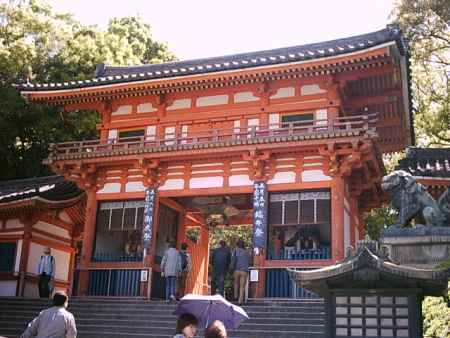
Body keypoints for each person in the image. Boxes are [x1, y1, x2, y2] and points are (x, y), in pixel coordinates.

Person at [231, 239, 251, 305]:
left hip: (237, 270)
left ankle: (235, 296)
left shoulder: (235, 250)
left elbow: (233, 260)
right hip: (244, 271)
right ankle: (240, 301)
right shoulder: (247, 252)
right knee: (242, 286)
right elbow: (250, 261)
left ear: (237, 245)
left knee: (236, 283)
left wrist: (231, 268)